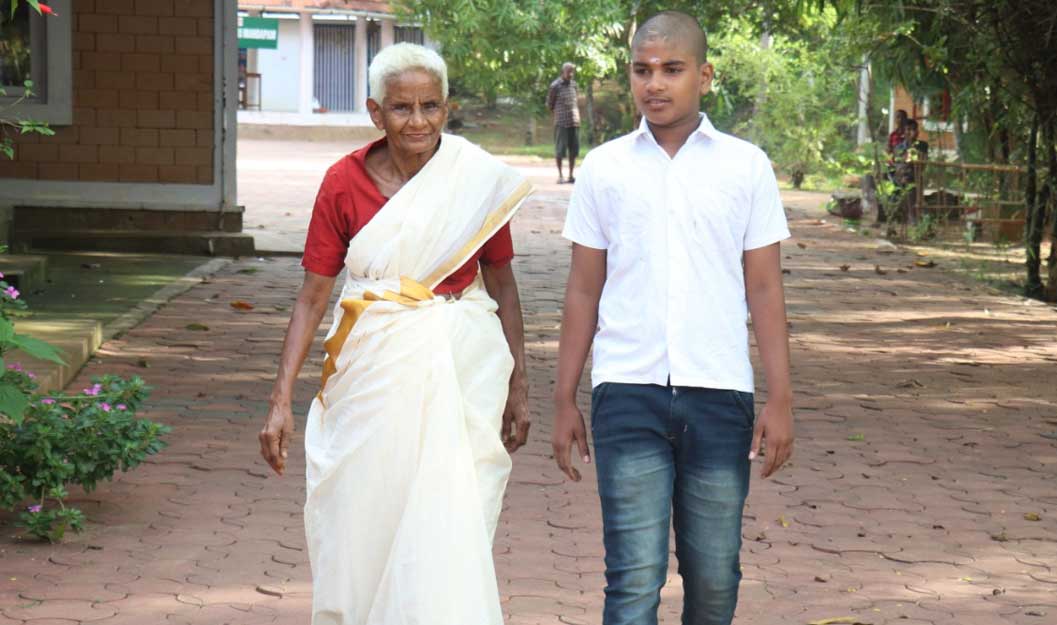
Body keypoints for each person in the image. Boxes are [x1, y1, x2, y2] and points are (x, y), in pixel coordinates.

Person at [257, 43, 533, 625]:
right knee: (366, 506)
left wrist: (520, 386)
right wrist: (281, 400)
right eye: (402, 108)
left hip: (465, 358)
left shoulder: (473, 177)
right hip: (372, 362)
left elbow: (503, 285)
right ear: (375, 113)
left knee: (452, 509)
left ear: (447, 108)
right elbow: (312, 297)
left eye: (430, 106)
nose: (418, 122)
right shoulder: (343, 181)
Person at [552, 11, 795, 625]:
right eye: (642, 70)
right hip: (626, 390)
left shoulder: (746, 167)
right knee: (632, 581)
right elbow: (583, 290)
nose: (654, 84)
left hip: (719, 394)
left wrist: (780, 398)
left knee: (715, 579)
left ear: (705, 76)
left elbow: (764, 289)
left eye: (672, 69)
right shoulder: (605, 168)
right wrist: (563, 399)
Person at [547, 61, 582, 183]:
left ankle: (571, 175)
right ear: (563, 71)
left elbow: (575, 100)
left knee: (574, 151)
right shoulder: (555, 86)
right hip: (561, 122)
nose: (571, 74)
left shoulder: (574, 85)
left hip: (574, 121)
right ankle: (560, 175)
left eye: (572, 71)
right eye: (569, 71)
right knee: (560, 150)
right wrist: (559, 114)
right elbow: (550, 104)